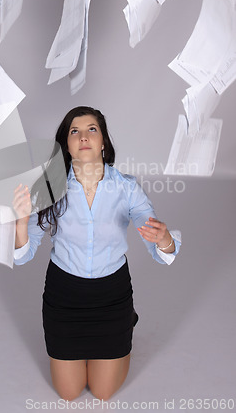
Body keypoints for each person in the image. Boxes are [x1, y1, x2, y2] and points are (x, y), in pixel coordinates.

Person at [12, 106, 181, 401]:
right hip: (64, 297)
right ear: (66, 145)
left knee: (103, 393)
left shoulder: (127, 188)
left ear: (103, 141)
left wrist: (164, 238)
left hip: (111, 296)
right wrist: (20, 221)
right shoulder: (50, 187)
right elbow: (22, 255)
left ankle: (125, 321)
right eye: (74, 131)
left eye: (92, 129)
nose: (83, 136)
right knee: (69, 393)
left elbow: (161, 250)